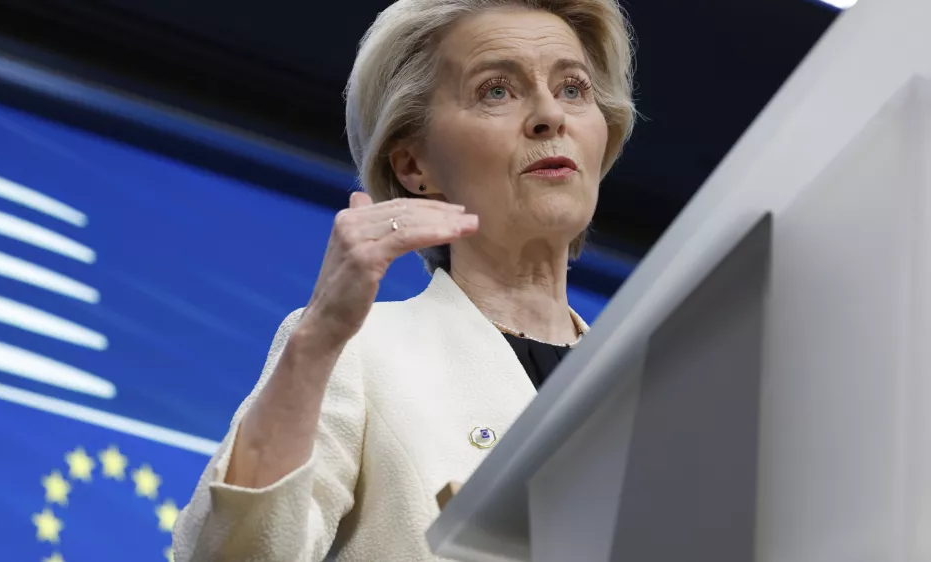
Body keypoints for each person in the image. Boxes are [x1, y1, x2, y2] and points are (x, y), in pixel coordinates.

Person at [172, 0, 634, 559]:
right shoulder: (358, 354)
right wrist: (318, 339)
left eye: (573, 89)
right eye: (496, 90)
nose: (548, 115)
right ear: (414, 167)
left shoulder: (649, 383)